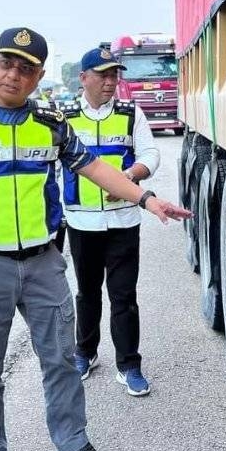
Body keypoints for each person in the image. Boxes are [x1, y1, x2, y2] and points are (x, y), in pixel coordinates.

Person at [0, 28, 190, 451]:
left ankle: (71, 445)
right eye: (6, 63)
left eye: (25, 68)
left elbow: (95, 167)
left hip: (44, 263)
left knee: (62, 362)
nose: (13, 75)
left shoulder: (50, 123)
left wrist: (146, 198)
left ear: (39, 75)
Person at [59, 48, 159, 396]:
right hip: (81, 223)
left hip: (124, 222)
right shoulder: (64, 116)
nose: (110, 81)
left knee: (124, 296)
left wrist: (130, 176)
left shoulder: (131, 113)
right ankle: (85, 353)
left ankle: (129, 364)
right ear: (83, 77)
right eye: (102, 74)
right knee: (87, 293)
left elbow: (151, 154)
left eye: (114, 74)